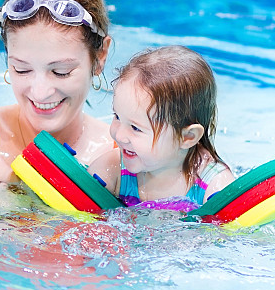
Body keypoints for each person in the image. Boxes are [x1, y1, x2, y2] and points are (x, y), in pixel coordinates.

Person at [0, 0, 116, 166]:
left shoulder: (124, 159)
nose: (40, 93)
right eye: (22, 69)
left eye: (61, 72)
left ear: (100, 56)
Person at [87, 46, 235, 211]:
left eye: (135, 128)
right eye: (117, 117)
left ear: (187, 137)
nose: (119, 136)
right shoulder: (112, 170)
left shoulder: (213, 186)